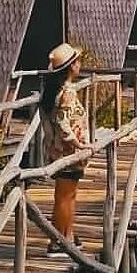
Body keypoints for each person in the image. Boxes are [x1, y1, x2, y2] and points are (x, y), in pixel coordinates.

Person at [41, 43, 89, 255]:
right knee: (64, 195)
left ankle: (67, 235)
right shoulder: (67, 92)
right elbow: (62, 123)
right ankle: (59, 240)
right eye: (77, 62)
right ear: (71, 67)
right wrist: (77, 143)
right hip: (68, 151)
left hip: (60, 151)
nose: (80, 65)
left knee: (68, 194)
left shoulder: (56, 91)